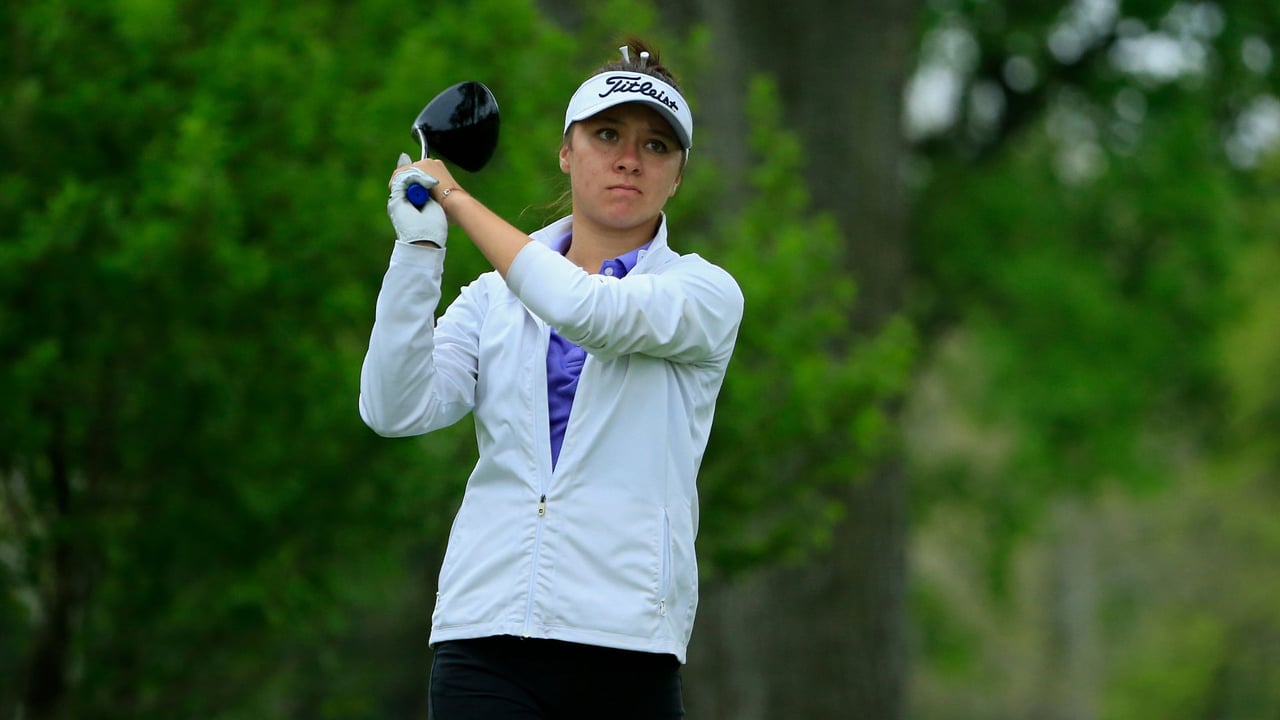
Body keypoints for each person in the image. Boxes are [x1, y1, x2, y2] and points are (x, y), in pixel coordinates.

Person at [359, 39, 743, 719]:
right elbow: (395, 406)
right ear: (567, 152)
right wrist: (419, 247)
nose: (629, 157)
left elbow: (586, 309)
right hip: (486, 633)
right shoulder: (490, 298)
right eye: (606, 134)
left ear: (678, 174)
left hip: (626, 643)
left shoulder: (703, 293)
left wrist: (454, 197)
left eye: (657, 146)